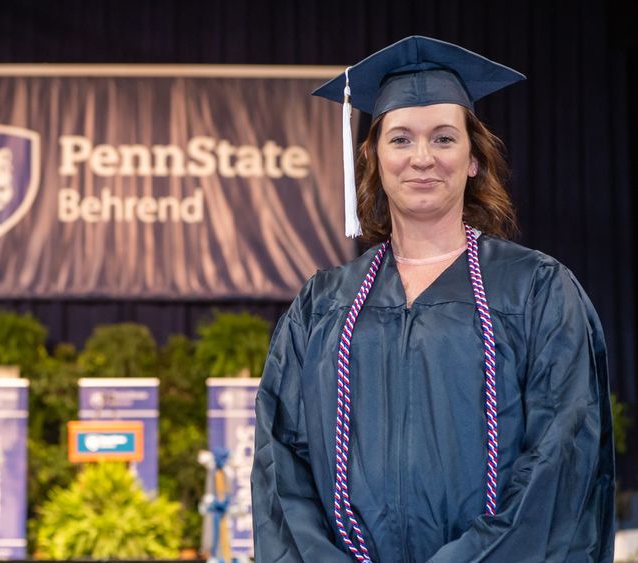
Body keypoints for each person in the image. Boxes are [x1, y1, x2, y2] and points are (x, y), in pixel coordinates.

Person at [251, 36, 614, 562]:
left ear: (473, 159)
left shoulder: (535, 290)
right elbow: (281, 462)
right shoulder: (323, 304)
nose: (422, 158)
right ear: (373, 157)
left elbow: (561, 457)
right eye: (400, 139)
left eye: (444, 139)